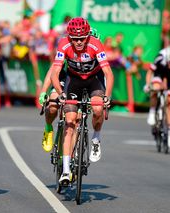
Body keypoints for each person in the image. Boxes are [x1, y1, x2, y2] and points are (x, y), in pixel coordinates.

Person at [50, 17, 114, 184]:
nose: (78, 42)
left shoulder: (95, 44)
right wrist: (59, 93)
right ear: (70, 37)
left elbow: (108, 72)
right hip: (74, 80)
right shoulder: (64, 43)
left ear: (87, 36)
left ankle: (96, 137)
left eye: (82, 38)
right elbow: (55, 72)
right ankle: (65, 170)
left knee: (98, 109)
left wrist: (107, 96)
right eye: (75, 39)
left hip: (94, 79)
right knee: (70, 121)